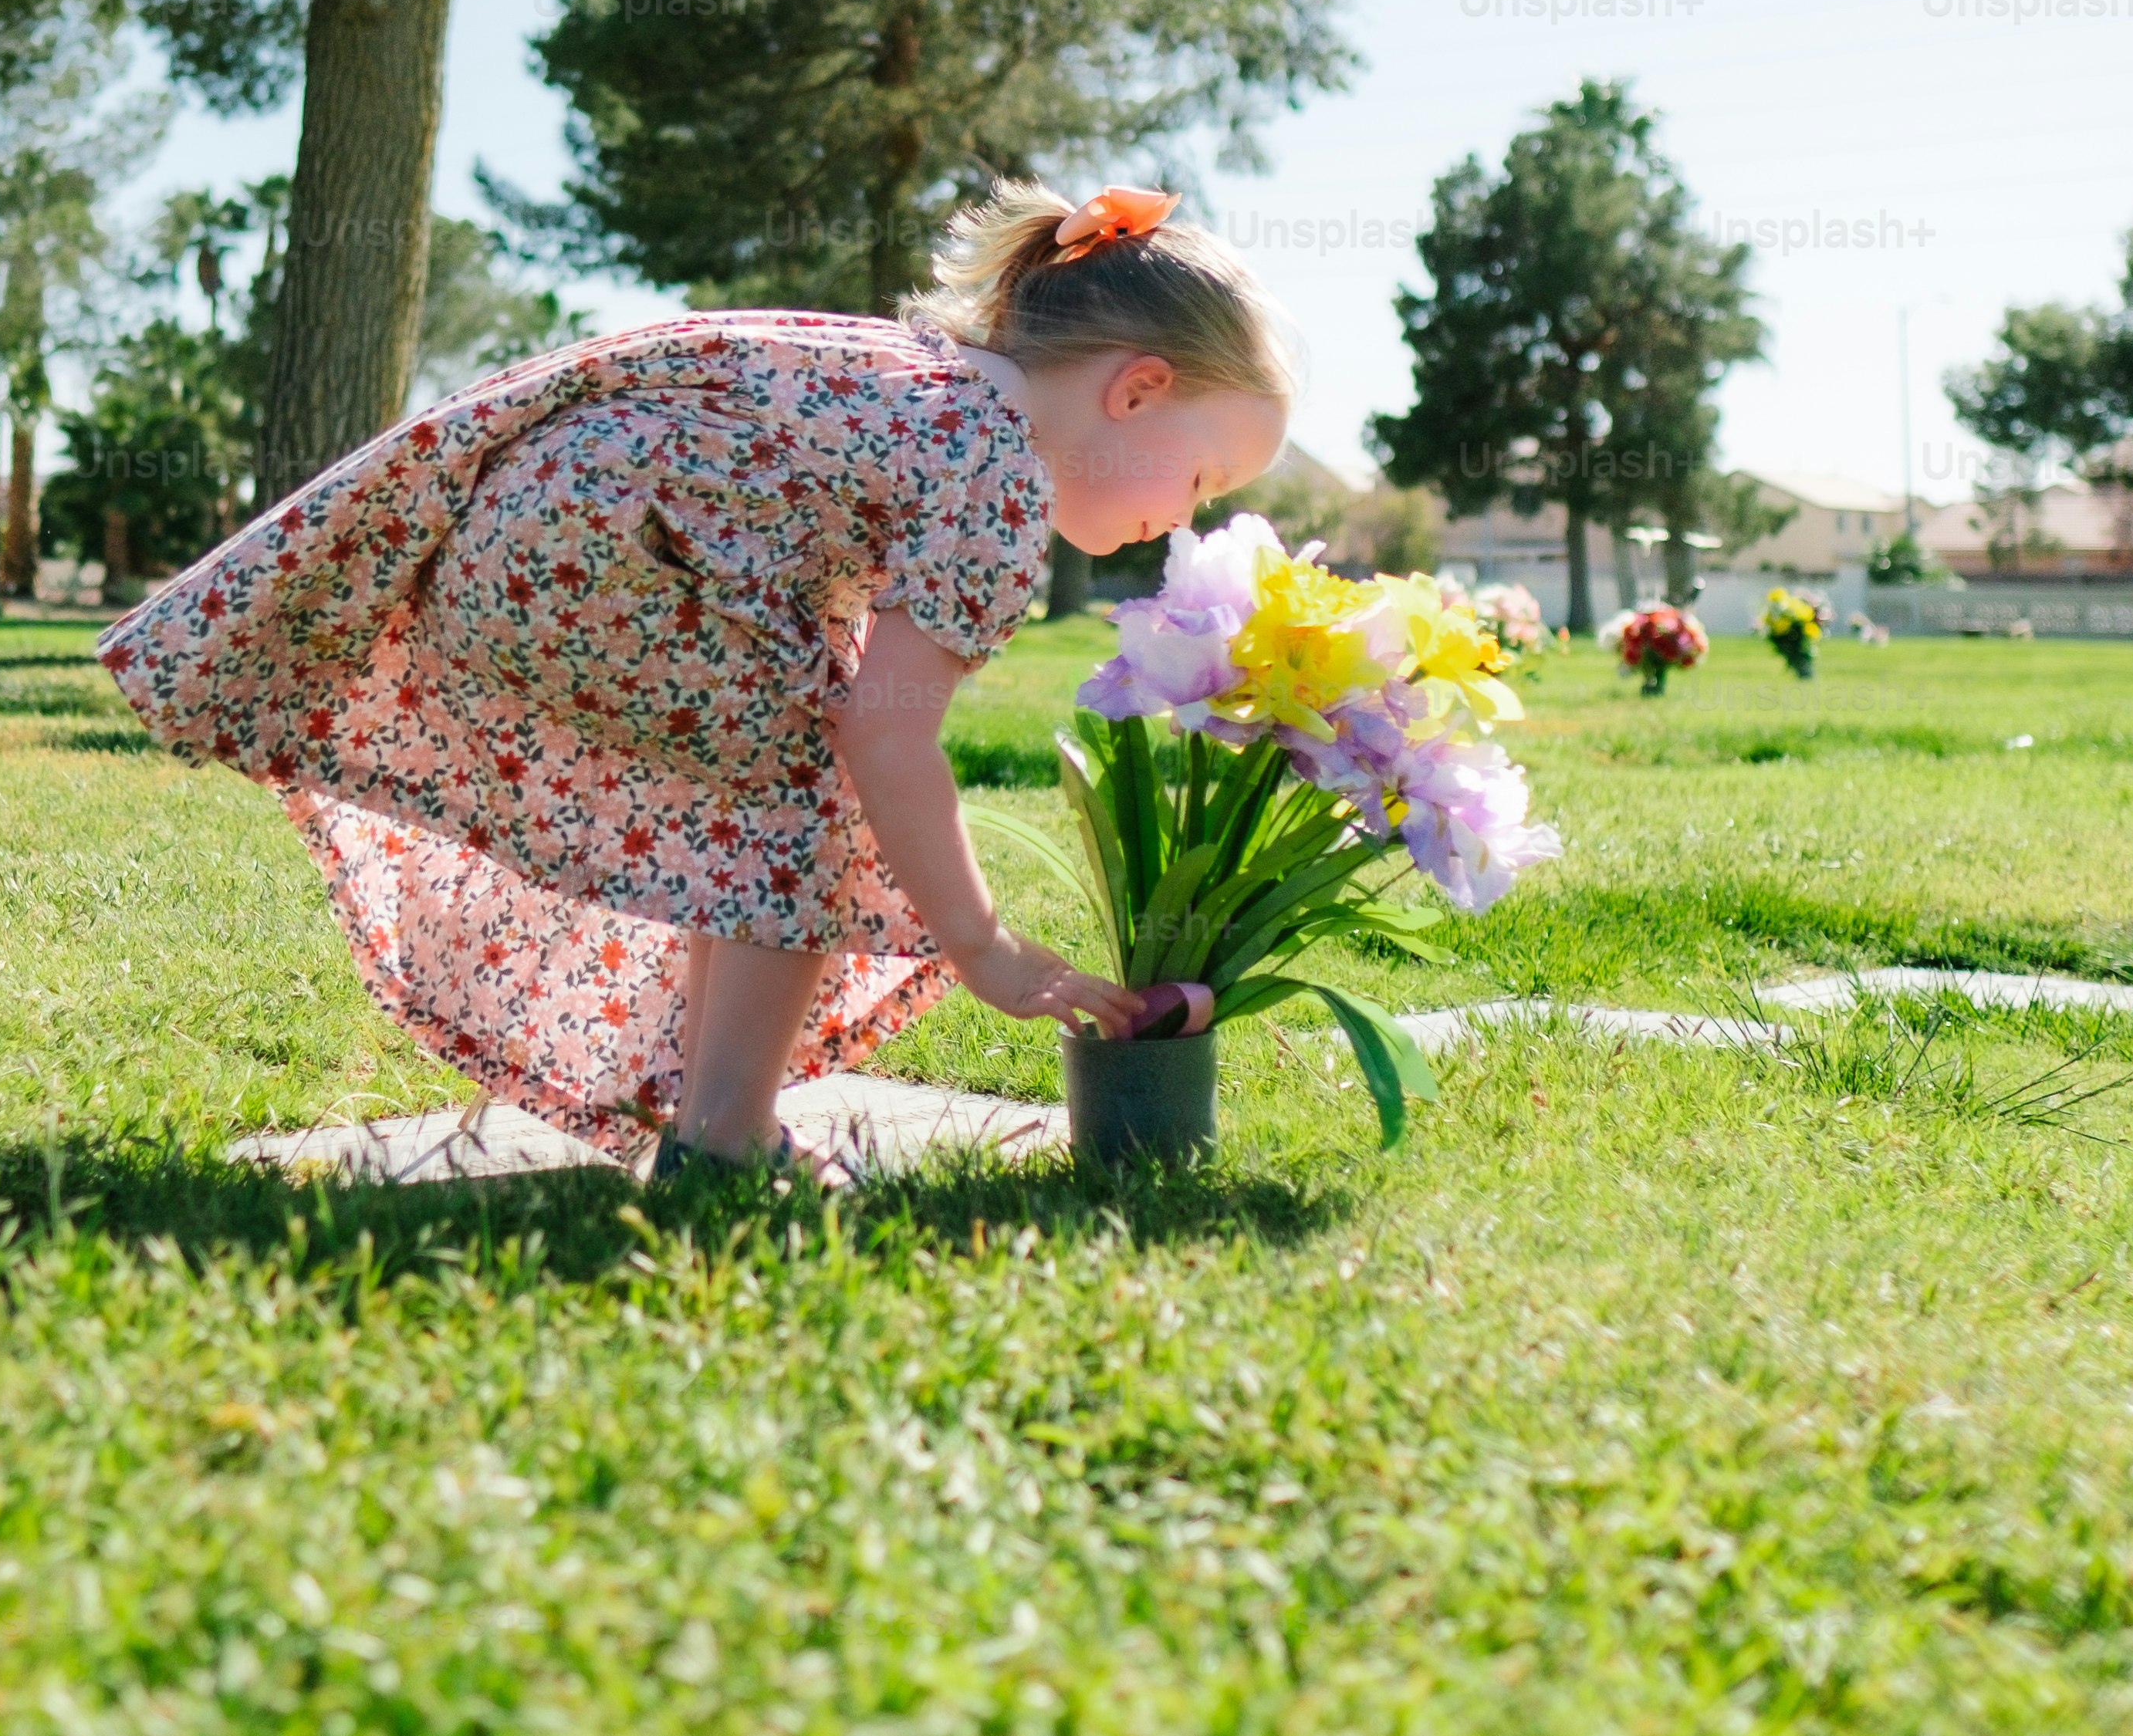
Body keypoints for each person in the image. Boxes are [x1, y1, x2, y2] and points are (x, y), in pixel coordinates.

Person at [100, 179, 1295, 1181]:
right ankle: (724, 1136)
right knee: (817, 805)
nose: (1180, 519)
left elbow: (639, 366)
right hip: (620, 565)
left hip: (529, 545)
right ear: (1135, 391)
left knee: (774, 803)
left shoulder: (909, 373)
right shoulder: (995, 479)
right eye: (1196, 482)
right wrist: (983, 948)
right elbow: (891, 744)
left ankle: (715, 1118)